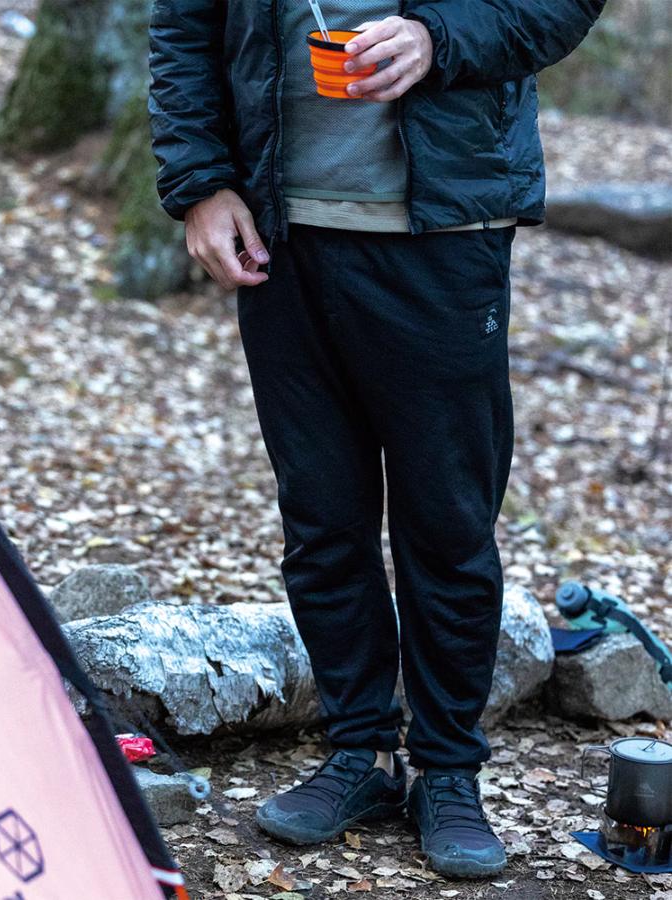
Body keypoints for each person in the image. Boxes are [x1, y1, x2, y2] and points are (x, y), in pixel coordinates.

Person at [147, 0, 605, 879]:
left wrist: (438, 39)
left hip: (445, 231)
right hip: (282, 227)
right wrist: (200, 181)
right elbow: (184, 25)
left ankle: (448, 772)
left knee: (447, 524)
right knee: (321, 519)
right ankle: (358, 752)